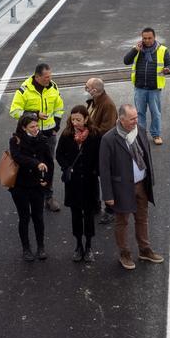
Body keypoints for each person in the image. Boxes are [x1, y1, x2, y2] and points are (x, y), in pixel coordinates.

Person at [99, 104, 164, 270]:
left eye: (136, 117)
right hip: (121, 189)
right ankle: (124, 253)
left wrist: (151, 180)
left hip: (141, 184)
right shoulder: (109, 139)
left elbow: (147, 156)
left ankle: (144, 249)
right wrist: (108, 195)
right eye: (132, 119)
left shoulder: (140, 131)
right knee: (122, 222)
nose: (136, 121)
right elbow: (104, 170)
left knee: (142, 218)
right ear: (121, 120)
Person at [10, 62, 65, 211]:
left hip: (48, 134)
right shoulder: (24, 90)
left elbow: (59, 107)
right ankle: (29, 194)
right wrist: (34, 114)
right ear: (37, 76)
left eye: (50, 76)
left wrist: (56, 126)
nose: (49, 79)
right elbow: (14, 111)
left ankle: (48, 196)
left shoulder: (53, 86)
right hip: (29, 136)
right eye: (46, 77)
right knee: (28, 164)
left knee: (48, 165)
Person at [56, 105, 101, 262]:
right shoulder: (67, 134)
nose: (75, 122)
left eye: (78, 119)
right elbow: (59, 154)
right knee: (75, 214)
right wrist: (67, 167)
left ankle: (88, 245)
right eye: (73, 119)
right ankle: (78, 245)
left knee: (88, 215)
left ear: (86, 119)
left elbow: (100, 156)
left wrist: (95, 170)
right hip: (73, 183)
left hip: (89, 181)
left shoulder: (95, 135)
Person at [9, 114, 52, 261]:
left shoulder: (43, 140)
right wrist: (35, 163)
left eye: (36, 126)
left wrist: (47, 181)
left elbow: (49, 162)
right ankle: (26, 248)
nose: (35, 129)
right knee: (24, 217)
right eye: (32, 127)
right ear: (23, 127)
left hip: (36, 185)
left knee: (38, 217)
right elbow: (17, 157)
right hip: (20, 186)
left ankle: (41, 247)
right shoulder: (15, 140)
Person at [122, 27, 170, 145]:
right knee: (139, 113)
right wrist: (135, 50)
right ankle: (141, 135)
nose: (147, 40)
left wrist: (168, 69)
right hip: (140, 88)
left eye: (149, 38)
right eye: (144, 38)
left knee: (155, 113)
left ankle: (156, 135)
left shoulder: (162, 50)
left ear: (154, 37)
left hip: (154, 89)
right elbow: (126, 61)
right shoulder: (137, 50)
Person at [85, 77, 119, 225]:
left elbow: (107, 129)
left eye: (87, 87)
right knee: (94, 176)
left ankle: (111, 210)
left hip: (104, 149)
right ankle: (95, 204)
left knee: (107, 179)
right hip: (94, 148)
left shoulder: (107, 105)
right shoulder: (95, 101)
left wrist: (87, 131)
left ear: (94, 90)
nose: (86, 89)